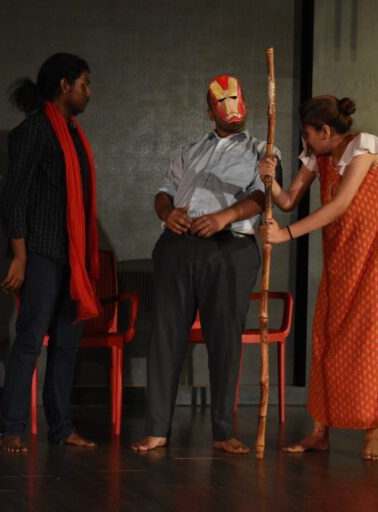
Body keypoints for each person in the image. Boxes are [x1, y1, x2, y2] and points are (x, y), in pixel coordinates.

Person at [132, 75, 280, 454]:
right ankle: (157, 429)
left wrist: (223, 217)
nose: (231, 108)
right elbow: (164, 192)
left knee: (224, 339)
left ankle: (223, 431)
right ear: (209, 111)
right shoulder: (189, 150)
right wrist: (167, 214)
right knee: (165, 335)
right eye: (221, 102)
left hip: (229, 247)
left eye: (236, 99)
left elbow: (262, 195)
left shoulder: (262, 150)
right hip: (178, 246)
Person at [258, 96, 378, 460]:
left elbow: (340, 204)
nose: (306, 141)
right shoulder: (319, 156)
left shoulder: (364, 147)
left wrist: (285, 235)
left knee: (373, 339)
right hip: (343, 256)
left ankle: (373, 432)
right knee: (327, 337)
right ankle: (320, 431)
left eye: (308, 134)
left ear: (325, 131)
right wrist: (269, 179)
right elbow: (288, 200)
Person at [0, 53, 100, 453]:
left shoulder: (73, 134)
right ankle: (12, 427)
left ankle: (61, 427)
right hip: (41, 251)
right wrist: (20, 256)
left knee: (67, 345)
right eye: (84, 84)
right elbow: (14, 198)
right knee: (29, 341)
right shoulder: (35, 131)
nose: (88, 93)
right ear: (64, 86)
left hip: (71, 257)